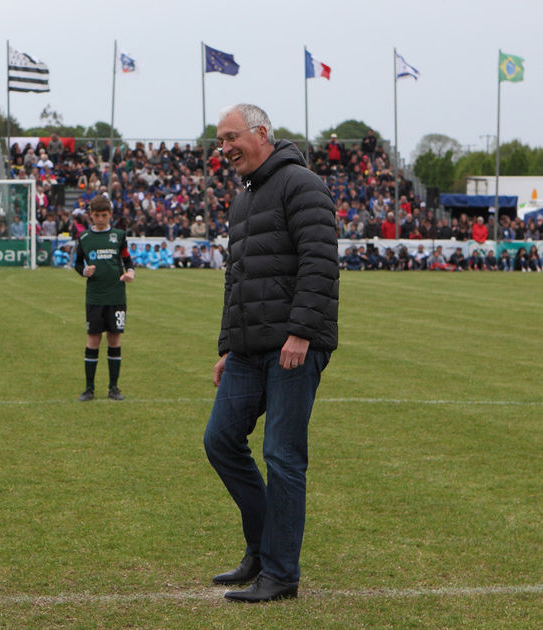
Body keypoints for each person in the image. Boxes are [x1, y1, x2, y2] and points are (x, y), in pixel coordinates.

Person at [203, 104, 339, 603]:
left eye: (231, 137)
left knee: (283, 456)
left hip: (293, 347)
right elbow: (235, 278)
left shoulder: (301, 184)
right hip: (248, 348)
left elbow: (320, 261)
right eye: (220, 141)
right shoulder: (244, 199)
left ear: (261, 133)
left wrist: (301, 332)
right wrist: (226, 346)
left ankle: (281, 574)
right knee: (220, 440)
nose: (224, 148)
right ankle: (262, 551)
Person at [72, 194, 134, 402]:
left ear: (110, 214)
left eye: (104, 215)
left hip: (116, 295)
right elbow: (78, 263)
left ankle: (113, 388)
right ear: (91, 216)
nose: (100, 219)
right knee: (93, 340)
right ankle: (89, 388)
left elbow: (128, 261)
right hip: (95, 297)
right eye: (97, 215)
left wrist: (130, 273)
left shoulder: (119, 236)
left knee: (114, 339)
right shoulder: (85, 238)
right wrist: (84, 272)